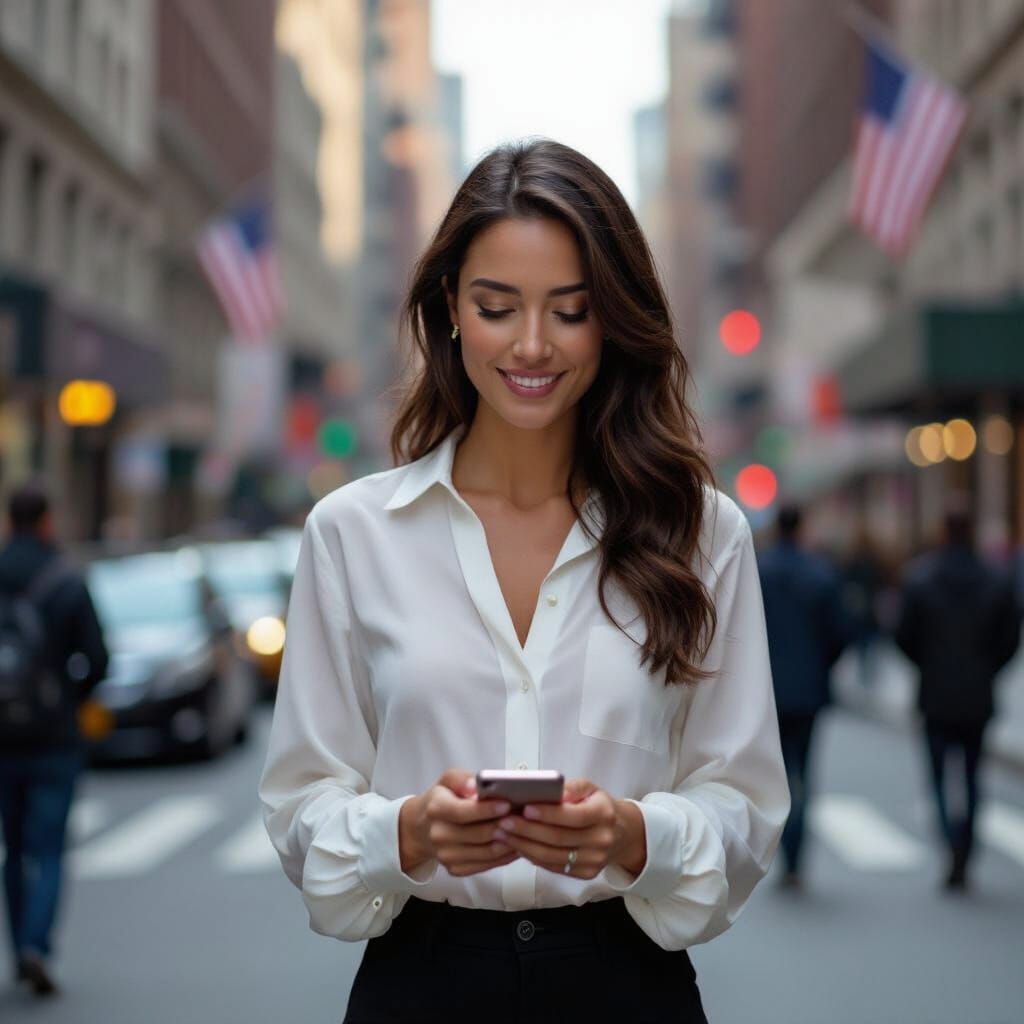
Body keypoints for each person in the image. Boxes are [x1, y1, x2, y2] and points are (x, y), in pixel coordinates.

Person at [259, 139, 789, 1024]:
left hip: (627, 984)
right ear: (451, 311)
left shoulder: (702, 534)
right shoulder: (352, 534)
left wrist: (633, 836)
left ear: (613, 320)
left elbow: (743, 802)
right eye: (498, 307)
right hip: (421, 983)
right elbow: (302, 798)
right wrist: (407, 834)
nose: (533, 344)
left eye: (571, 310)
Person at [0, 484, 109, 997]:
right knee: (48, 849)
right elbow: (99, 658)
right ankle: (36, 947)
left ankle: (19, 939)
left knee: (12, 847)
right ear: (46, 521)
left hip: (3, 739)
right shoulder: (65, 578)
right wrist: (67, 697)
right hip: (53, 738)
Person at [894, 501, 1019, 891]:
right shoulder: (995, 579)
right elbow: (1011, 638)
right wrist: (988, 670)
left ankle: (951, 841)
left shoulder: (921, 578)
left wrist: (927, 666)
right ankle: (965, 846)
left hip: (935, 693)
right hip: (977, 694)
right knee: (972, 775)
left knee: (937, 778)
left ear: (943, 531)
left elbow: (903, 635)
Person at [757, 504, 848, 890]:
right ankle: (796, 858)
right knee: (804, 774)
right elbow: (840, 632)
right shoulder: (820, 573)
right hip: (808, 691)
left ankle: (782, 850)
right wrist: (820, 667)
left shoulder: (758, 571)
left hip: (767, 691)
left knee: (774, 775)